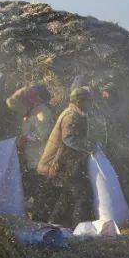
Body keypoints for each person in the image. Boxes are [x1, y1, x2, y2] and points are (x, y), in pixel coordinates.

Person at [38, 86, 97, 227]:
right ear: (79, 101)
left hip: (67, 162)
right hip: (63, 162)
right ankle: (79, 228)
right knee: (83, 195)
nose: (91, 104)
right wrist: (88, 146)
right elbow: (68, 139)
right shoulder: (71, 116)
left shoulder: (77, 113)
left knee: (67, 195)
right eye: (88, 101)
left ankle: (54, 223)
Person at [7, 85, 55, 217]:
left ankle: (41, 218)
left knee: (40, 192)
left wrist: (26, 138)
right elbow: (11, 102)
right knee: (33, 189)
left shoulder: (41, 113)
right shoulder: (31, 111)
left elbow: (44, 134)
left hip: (39, 159)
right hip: (31, 159)